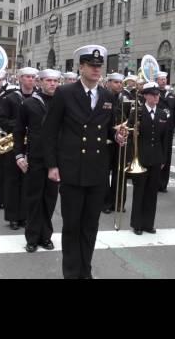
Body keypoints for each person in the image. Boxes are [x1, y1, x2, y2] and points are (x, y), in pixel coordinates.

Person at [42, 45, 126, 279]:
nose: (96, 70)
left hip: (97, 171)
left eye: (99, 67)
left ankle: (85, 271)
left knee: (90, 227)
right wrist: (52, 165)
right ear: (81, 67)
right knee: (72, 227)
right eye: (92, 66)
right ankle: (71, 273)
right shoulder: (65, 93)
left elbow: (108, 129)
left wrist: (116, 135)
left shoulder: (108, 96)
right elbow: (49, 131)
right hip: (72, 170)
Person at [15, 69, 62, 252]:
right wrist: (19, 155)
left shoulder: (62, 103)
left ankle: (46, 236)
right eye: (49, 80)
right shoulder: (29, 104)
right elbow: (19, 131)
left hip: (56, 159)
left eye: (55, 81)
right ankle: (32, 238)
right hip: (35, 157)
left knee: (50, 199)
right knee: (34, 199)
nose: (52, 84)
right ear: (39, 82)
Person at [0, 67, 38, 228]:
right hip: (14, 143)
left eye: (33, 77)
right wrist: (19, 126)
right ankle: (12, 217)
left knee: (28, 181)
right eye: (27, 77)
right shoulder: (10, 98)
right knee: (13, 180)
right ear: (19, 79)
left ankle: (25, 216)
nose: (30, 80)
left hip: (33, 144)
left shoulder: (39, 98)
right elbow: (0, 119)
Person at [127, 81, 169, 234]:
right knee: (140, 191)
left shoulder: (162, 113)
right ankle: (137, 224)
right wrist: (132, 157)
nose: (156, 97)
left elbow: (165, 138)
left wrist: (164, 158)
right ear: (145, 96)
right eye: (153, 94)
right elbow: (131, 138)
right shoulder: (136, 112)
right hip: (141, 157)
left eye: (157, 94)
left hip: (156, 157)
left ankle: (148, 223)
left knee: (152, 192)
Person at [103, 72, 132, 214]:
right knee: (104, 174)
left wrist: (125, 129)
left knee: (120, 172)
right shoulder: (102, 98)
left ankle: (119, 202)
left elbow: (129, 119)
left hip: (120, 140)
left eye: (120, 83)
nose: (119, 85)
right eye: (115, 82)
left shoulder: (125, 99)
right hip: (106, 141)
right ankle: (106, 203)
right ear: (108, 83)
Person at [156, 71, 175, 193]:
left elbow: (174, 112)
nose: (163, 81)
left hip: (168, 129)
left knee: (167, 156)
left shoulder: (171, 95)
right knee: (157, 154)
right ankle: (155, 181)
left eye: (165, 79)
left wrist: (174, 126)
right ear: (157, 80)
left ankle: (163, 183)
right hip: (157, 128)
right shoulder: (154, 93)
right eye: (161, 79)